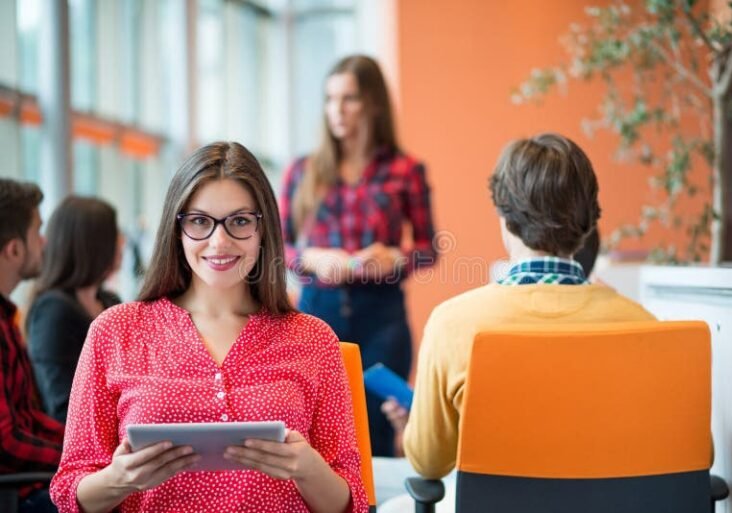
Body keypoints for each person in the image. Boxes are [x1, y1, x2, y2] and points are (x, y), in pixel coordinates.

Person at [50, 142, 367, 513]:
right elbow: (69, 489)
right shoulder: (116, 330)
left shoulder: (313, 340)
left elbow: (352, 502)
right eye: (200, 221)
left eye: (240, 221)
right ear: (177, 229)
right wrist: (118, 480)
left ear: (263, 229)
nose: (220, 241)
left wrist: (310, 471)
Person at [376, 134, 656, 512]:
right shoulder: (644, 328)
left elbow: (427, 462)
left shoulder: (454, 324)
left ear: (505, 218)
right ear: (589, 223)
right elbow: (692, 454)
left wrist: (416, 423)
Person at [279, 55, 437, 457]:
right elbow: (274, 247)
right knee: (313, 434)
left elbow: (428, 247)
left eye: (349, 98)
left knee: (378, 436)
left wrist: (395, 260)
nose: (337, 110)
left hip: (382, 317)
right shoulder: (302, 170)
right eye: (330, 99)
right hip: (318, 314)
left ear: (374, 104)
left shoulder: (406, 170)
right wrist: (311, 257)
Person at [26, 196, 122, 423]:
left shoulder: (110, 301)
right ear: (94, 246)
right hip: (77, 443)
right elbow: (62, 405)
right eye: (113, 237)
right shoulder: (53, 311)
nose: (121, 245)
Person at [0, 178, 64, 513]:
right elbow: (5, 443)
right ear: (14, 248)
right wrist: (76, 456)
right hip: (18, 495)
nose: (43, 242)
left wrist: (86, 442)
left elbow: (28, 418)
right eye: (37, 231)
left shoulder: (7, 319)